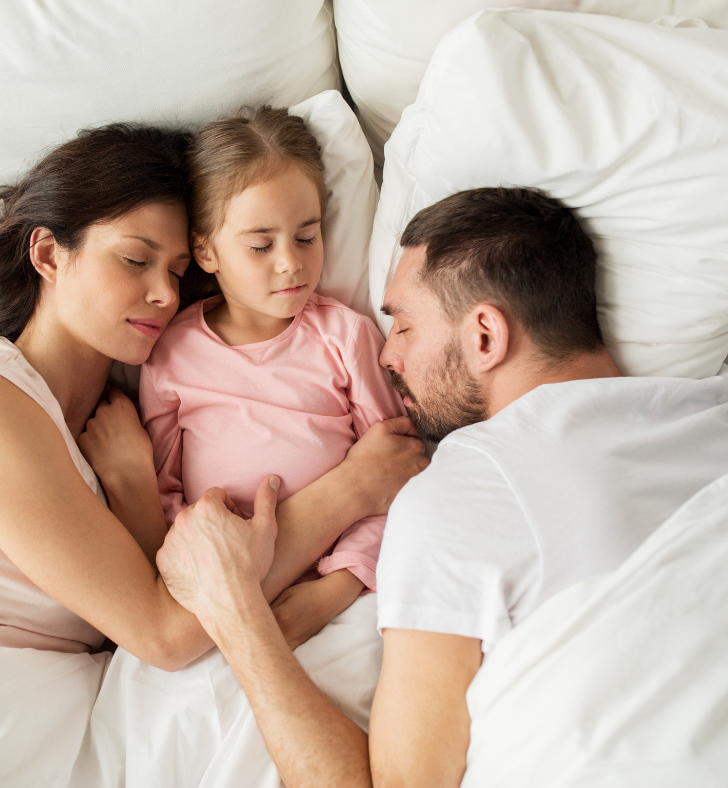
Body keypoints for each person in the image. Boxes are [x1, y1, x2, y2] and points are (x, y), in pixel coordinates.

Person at [156, 187, 728, 786]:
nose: (386, 355)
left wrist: (235, 610)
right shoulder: (710, 414)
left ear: (485, 337)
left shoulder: (466, 490)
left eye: (403, 325)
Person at [0, 124, 425, 670]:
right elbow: (166, 634)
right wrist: (354, 486)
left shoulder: (113, 418)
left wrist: (134, 485)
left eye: (177, 271)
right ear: (49, 255)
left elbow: (159, 587)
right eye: (135, 260)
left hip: (61, 698)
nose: (165, 295)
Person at [140, 106, 407, 648]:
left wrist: (337, 586)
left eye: (307, 237)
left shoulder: (344, 336)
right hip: (217, 589)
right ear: (206, 251)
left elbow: (397, 468)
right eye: (261, 246)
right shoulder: (170, 354)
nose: (290, 263)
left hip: (348, 588)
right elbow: (165, 494)